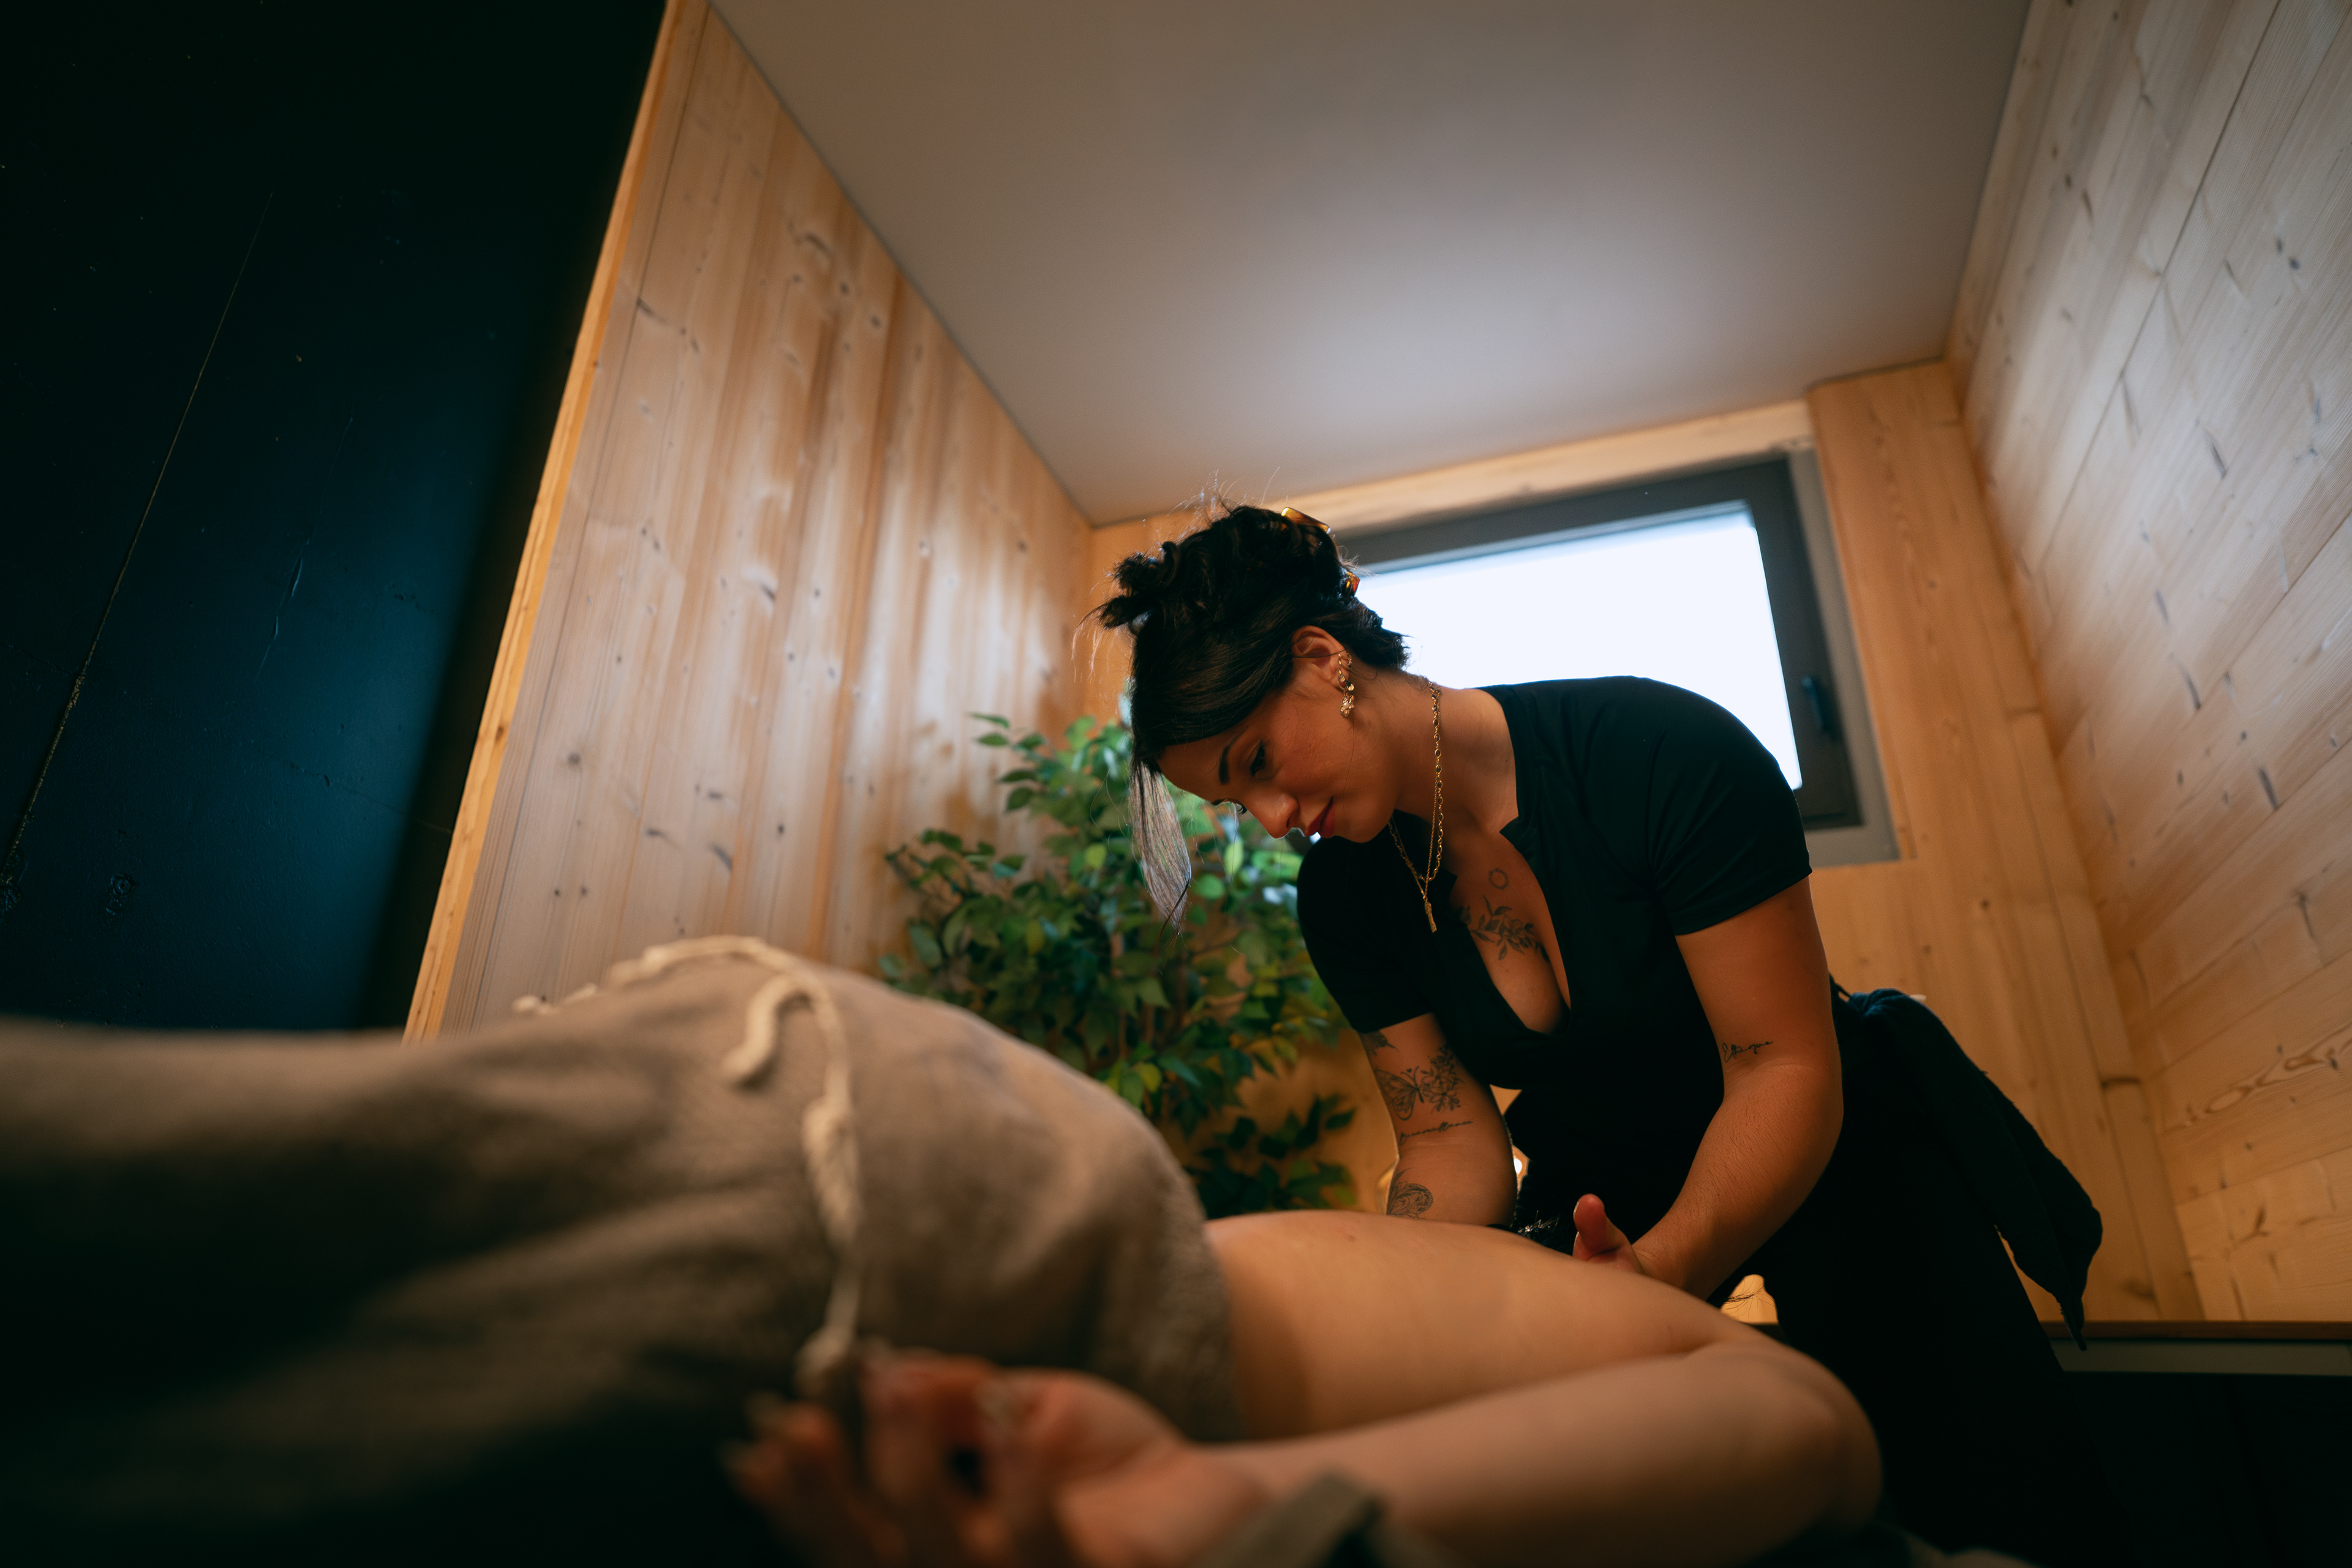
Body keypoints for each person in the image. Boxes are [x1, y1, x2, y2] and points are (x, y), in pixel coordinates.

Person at [0, 936, 1893, 1568]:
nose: (1258, 814)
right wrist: (1198, 1519)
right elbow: (1809, 1423)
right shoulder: (1707, 1389)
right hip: (993, 1296)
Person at [1099, 502, 2129, 1568]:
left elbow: (1780, 1063)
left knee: (1988, 1498)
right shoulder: (1344, 898)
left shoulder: (1660, 750)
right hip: (1601, 1193)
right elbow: (1448, 1141)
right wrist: (1399, 1300)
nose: (1273, 817)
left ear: (1324, 660)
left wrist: (1665, 1272)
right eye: (1238, 803)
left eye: (1259, 761)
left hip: (1832, 1144)